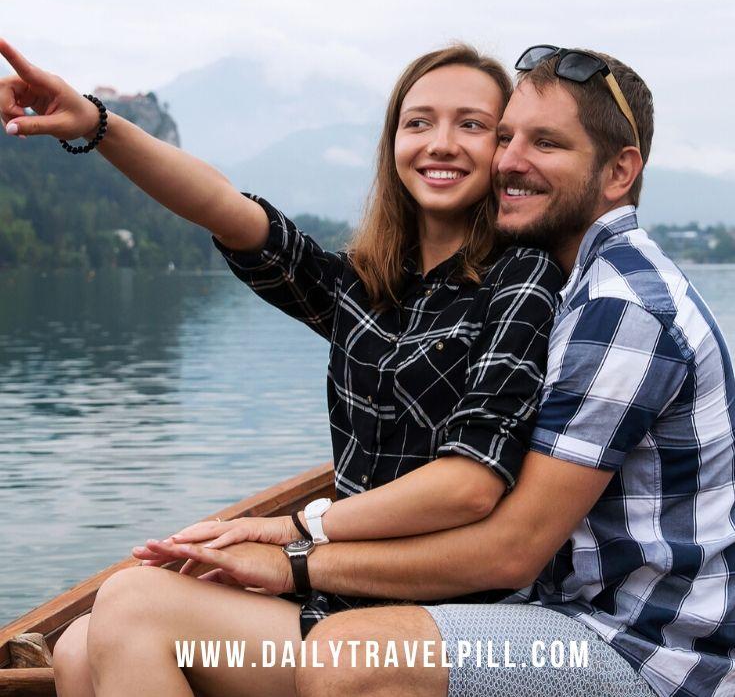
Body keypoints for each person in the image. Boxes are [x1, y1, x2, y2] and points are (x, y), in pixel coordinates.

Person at [134, 46, 734, 697]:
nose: (508, 161)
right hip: (558, 614)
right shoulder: (577, 286)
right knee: (93, 639)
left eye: (544, 143)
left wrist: (296, 548)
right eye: (506, 138)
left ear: (619, 171)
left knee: (348, 655)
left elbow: (508, 543)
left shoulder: (618, 308)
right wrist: (97, 126)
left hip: (637, 653)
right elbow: (234, 214)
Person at [0, 38, 562, 697]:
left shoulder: (520, 278)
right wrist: (97, 124)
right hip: (335, 598)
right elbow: (223, 206)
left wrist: (294, 531)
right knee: (77, 644)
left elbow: (469, 486)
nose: (441, 143)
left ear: (503, 150)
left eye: (471, 125)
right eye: (418, 123)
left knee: (131, 604)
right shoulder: (362, 286)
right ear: (392, 144)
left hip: (441, 619)